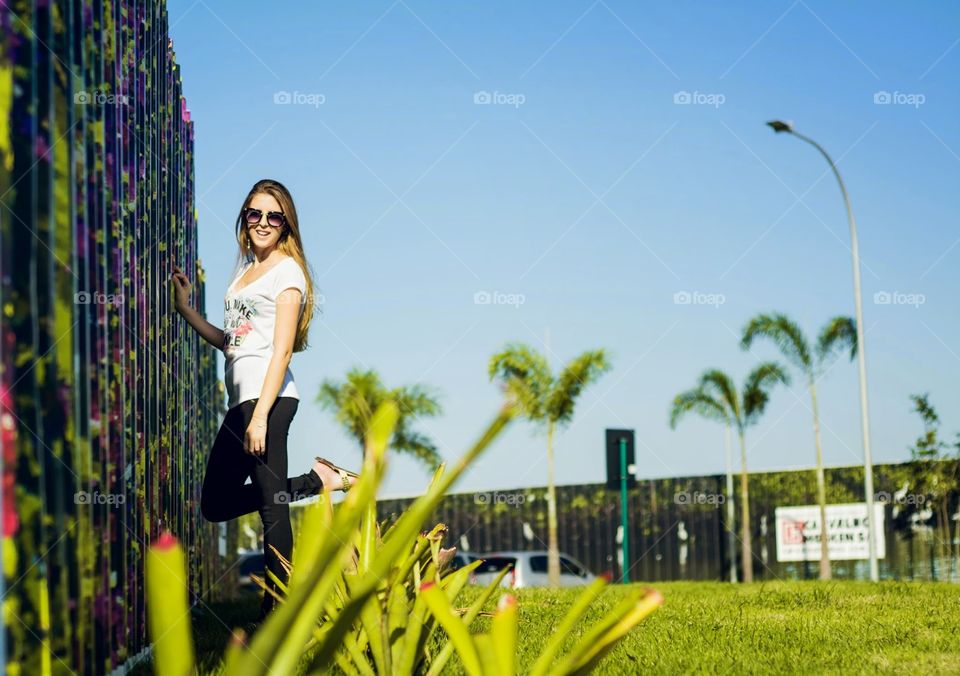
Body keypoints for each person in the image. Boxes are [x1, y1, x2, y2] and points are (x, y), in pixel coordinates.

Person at [170, 178, 358, 621]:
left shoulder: (287, 272)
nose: (264, 222)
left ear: (286, 225)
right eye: (255, 213)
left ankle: (277, 612)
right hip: (242, 403)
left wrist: (260, 417)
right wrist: (185, 310)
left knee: (273, 511)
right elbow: (233, 341)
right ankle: (318, 480)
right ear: (245, 217)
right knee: (215, 503)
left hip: (269, 402)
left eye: (275, 217)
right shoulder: (243, 273)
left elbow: (283, 349)